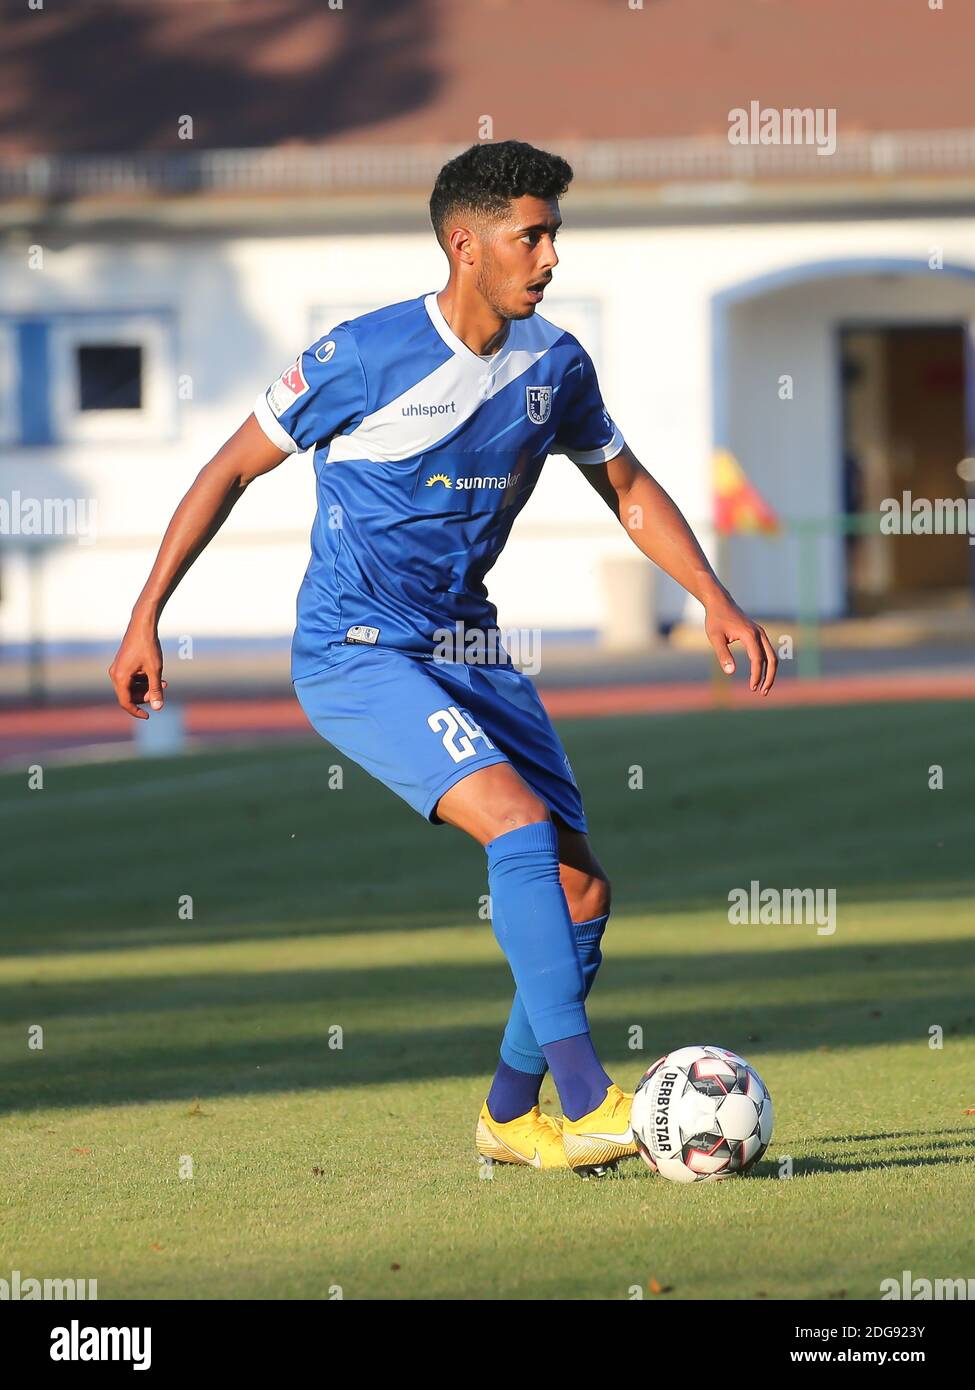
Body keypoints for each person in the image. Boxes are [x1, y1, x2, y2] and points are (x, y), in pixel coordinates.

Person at [109, 140, 777, 1177]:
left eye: (554, 232)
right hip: (355, 650)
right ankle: (595, 1098)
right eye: (532, 234)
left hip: (474, 649)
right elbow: (227, 467)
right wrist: (147, 612)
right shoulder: (364, 356)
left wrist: (715, 597)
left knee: (583, 893)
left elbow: (628, 484)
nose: (551, 255)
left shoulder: (555, 364)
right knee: (513, 823)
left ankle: (510, 1114)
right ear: (465, 245)